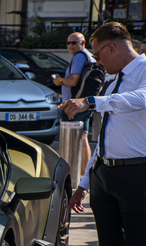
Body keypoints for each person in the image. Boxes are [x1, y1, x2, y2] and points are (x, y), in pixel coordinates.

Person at [61, 21, 146, 246]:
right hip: (105, 175)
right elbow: (105, 135)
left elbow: (138, 100)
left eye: (97, 54)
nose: (96, 62)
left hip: (138, 175)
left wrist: (91, 101)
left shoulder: (141, 72)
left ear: (113, 47)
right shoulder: (113, 78)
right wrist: (83, 182)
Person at [53, 32, 96, 175]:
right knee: (83, 137)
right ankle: (84, 173)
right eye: (68, 43)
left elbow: (73, 81)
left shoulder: (79, 57)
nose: (70, 46)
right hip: (86, 103)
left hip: (74, 105)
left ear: (82, 43)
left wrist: (59, 80)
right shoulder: (89, 56)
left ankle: (71, 174)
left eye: (74, 43)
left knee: (71, 141)